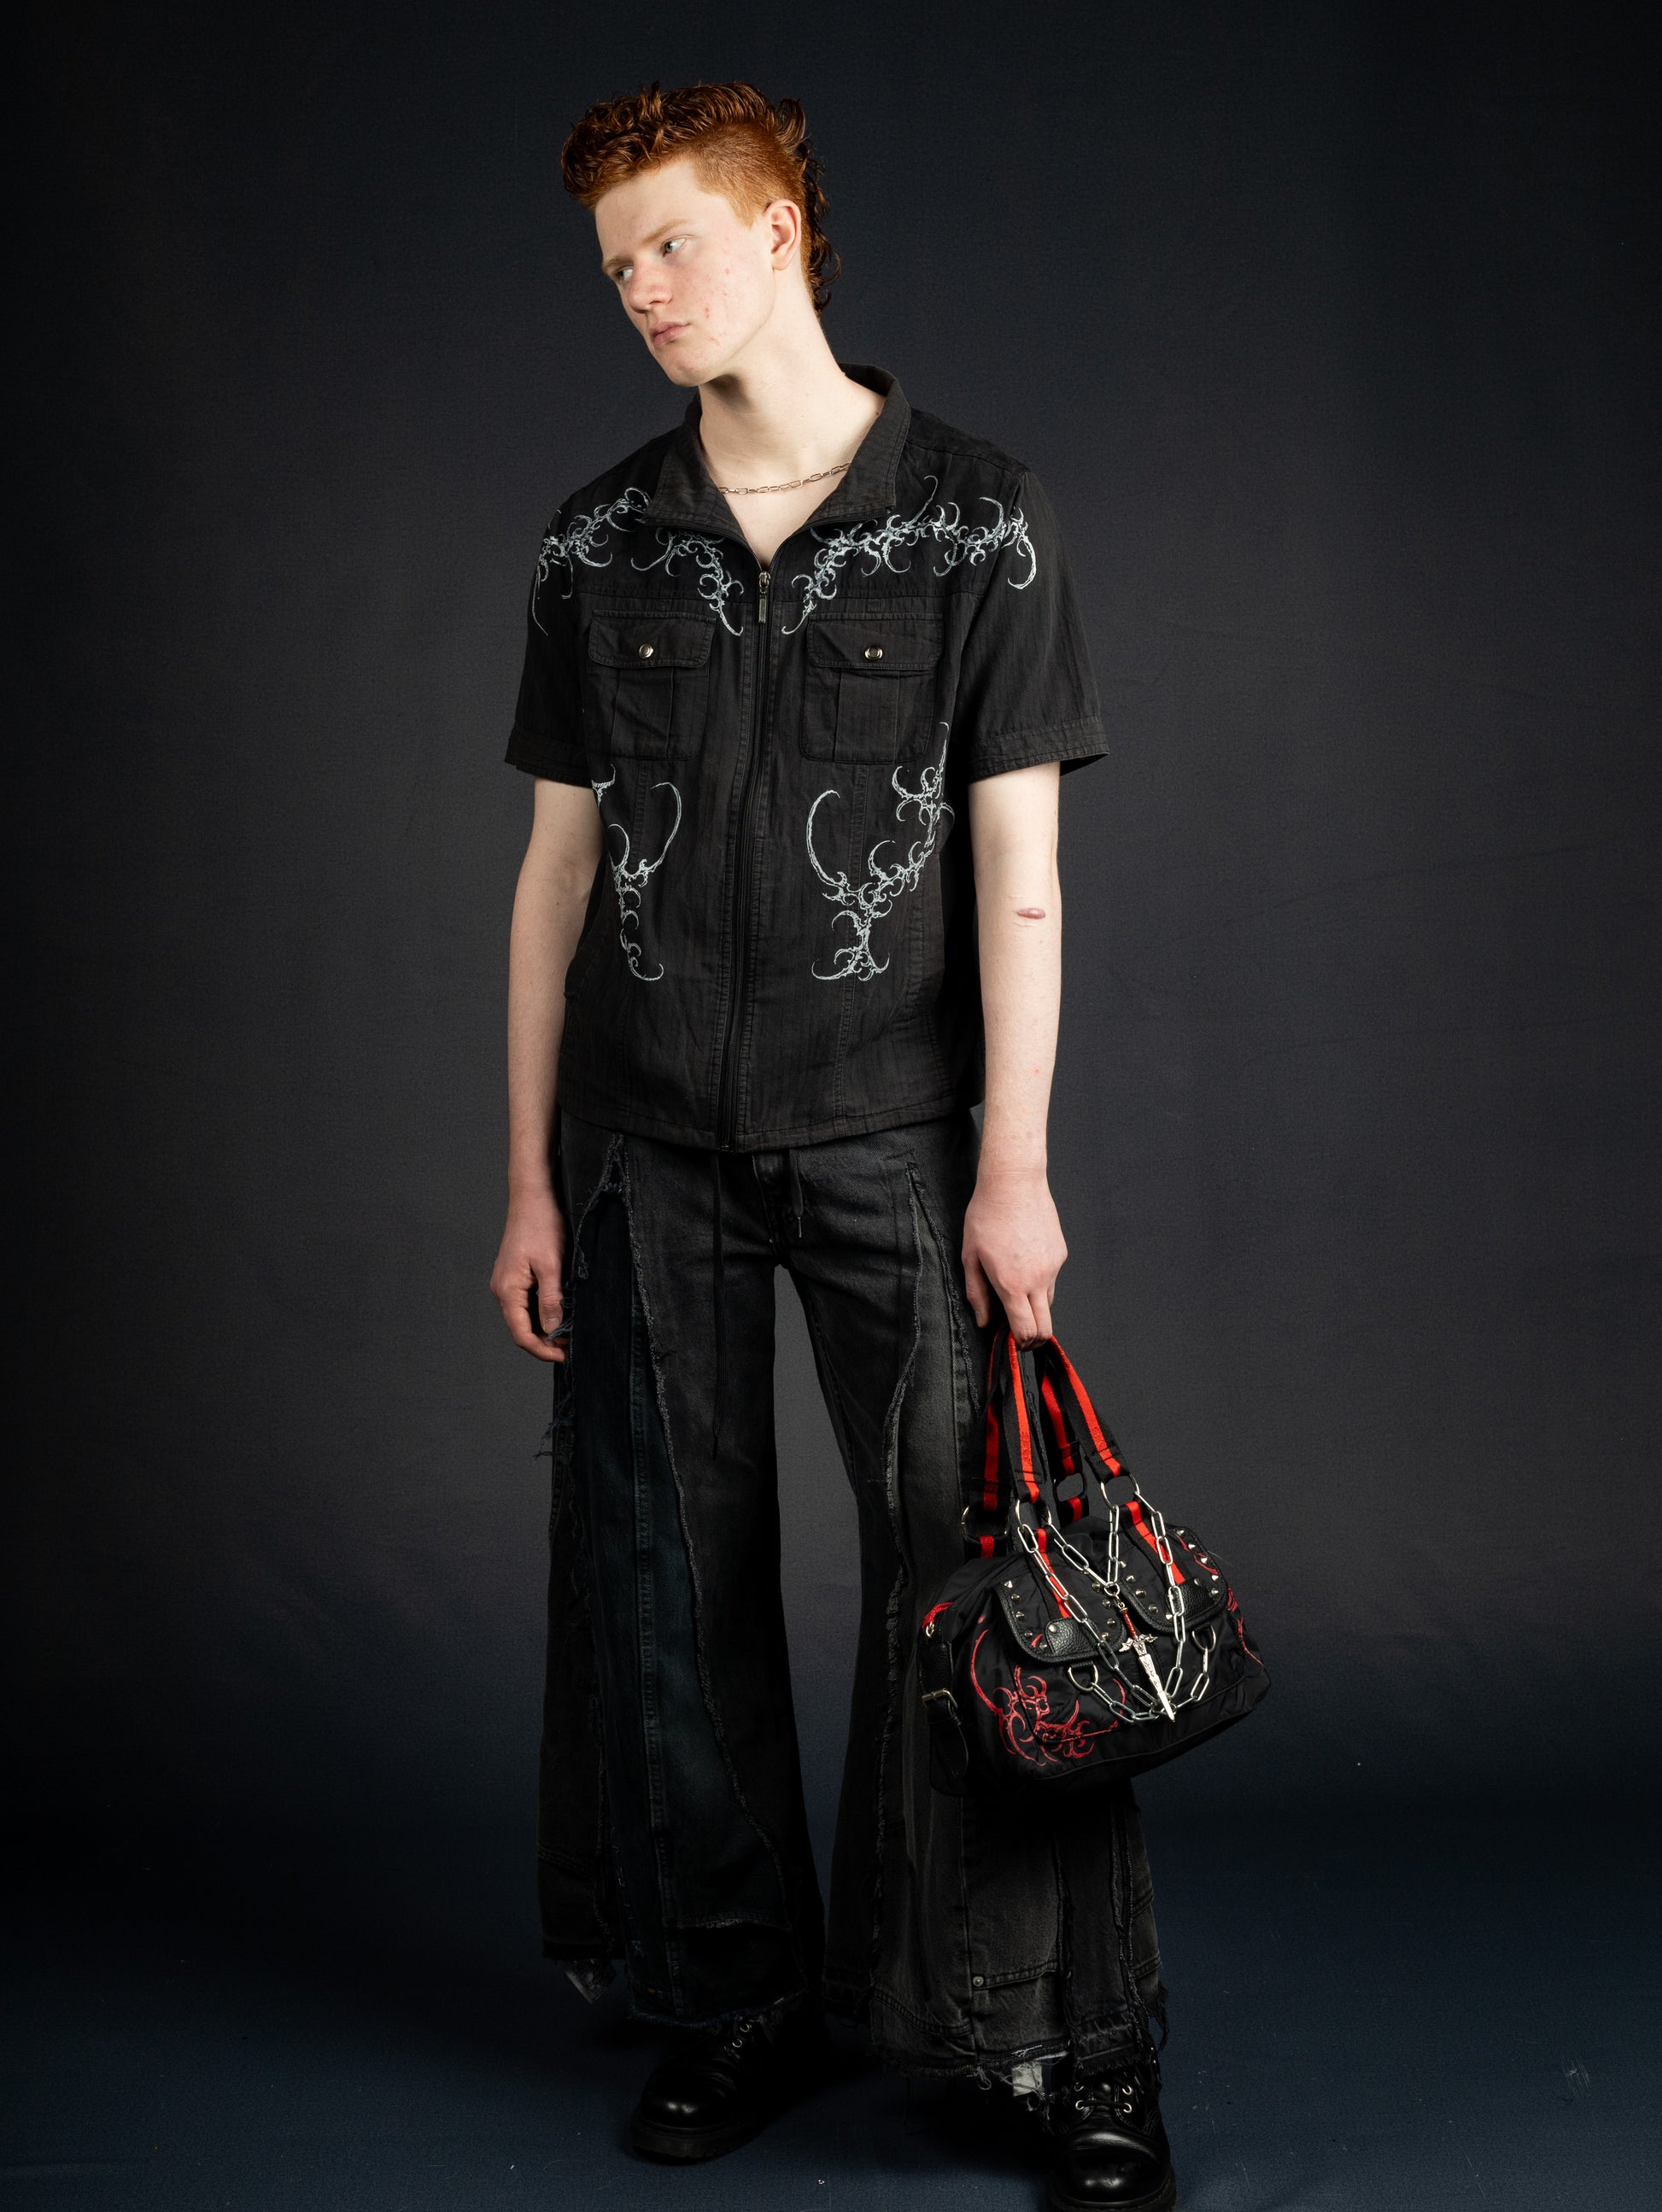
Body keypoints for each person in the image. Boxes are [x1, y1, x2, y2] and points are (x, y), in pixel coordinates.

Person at [489, 80, 1175, 2212]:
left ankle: (1054, 2036)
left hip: (896, 1141)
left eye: (673, 243)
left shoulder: (976, 519)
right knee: (667, 1587)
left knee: (974, 1586)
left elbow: (1019, 875)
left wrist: (1015, 1164)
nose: (642, 290)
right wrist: (527, 1178)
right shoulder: (600, 542)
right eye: (616, 264)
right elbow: (551, 879)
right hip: (642, 1150)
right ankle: (738, 1993)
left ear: (781, 228)